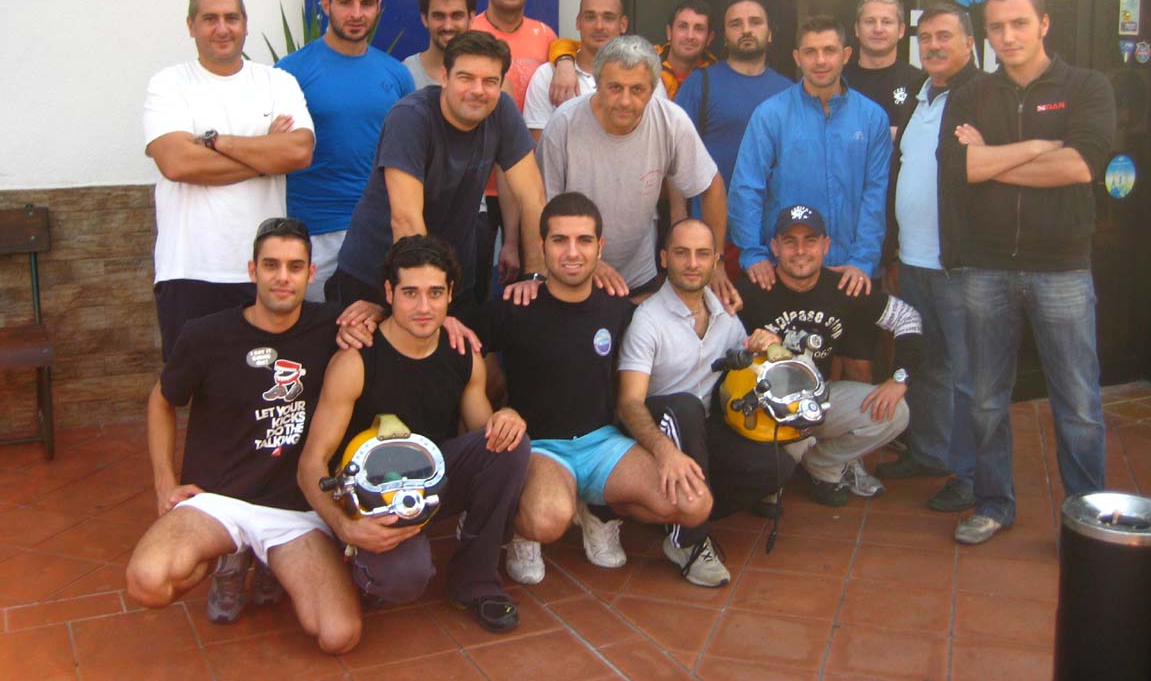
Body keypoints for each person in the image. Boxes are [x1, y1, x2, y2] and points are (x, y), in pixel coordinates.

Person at [125, 218, 359, 654]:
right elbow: (162, 399)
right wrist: (163, 483)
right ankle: (227, 558)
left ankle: (269, 560)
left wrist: (375, 313)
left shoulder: (332, 327)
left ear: (311, 273)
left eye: (295, 266)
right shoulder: (206, 335)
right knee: (148, 583)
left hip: (293, 509)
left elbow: (394, 319)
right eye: (271, 265)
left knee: (339, 635)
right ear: (253, 270)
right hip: (217, 500)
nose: (283, 277)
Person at [939, 0, 1115, 545]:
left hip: (1062, 268)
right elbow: (959, 169)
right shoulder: (971, 95)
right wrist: (1041, 146)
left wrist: (992, 160)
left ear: (1043, 24)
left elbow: (1081, 166)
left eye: (1019, 23)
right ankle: (994, 504)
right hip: (986, 266)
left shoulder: (1086, 86)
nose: (1008, 36)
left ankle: (1085, 519)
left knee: (1079, 404)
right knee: (987, 401)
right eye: (996, 27)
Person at [298, 235, 530, 633]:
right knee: (404, 579)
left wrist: (507, 416)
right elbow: (311, 464)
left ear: (450, 294)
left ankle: (475, 580)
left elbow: (486, 441)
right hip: (371, 495)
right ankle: (360, 562)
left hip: (431, 478)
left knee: (510, 444)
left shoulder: (462, 354)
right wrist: (343, 525)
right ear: (389, 293)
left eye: (435, 293)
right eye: (410, 293)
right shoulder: (356, 360)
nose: (424, 307)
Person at [482, 193, 711, 585]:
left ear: (600, 247)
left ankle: (598, 511)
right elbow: (462, 344)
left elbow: (669, 305)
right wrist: (495, 413)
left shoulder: (619, 310)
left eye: (584, 240)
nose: (573, 252)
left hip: (602, 444)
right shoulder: (514, 306)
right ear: (542, 245)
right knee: (548, 520)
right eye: (560, 240)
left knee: (695, 504)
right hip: (540, 447)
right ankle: (522, 531)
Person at [143, 0, 315, 360]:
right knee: (189, 384)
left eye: (231, 18)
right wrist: (265, 156)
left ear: (245, 23)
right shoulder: (169, 84)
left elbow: (299, 152)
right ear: (191, 26)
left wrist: (216, 142)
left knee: (263, 382)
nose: (222, 28)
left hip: (265, 271)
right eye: (210, 19)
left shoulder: (278, 83)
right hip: (190, 268)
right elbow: (177, 163)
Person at [328, 30, 546, 315]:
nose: (478, 90)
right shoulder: (410, 117)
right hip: (379, 277)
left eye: (490, 81)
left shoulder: (501, 110)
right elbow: (406, 220)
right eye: (466, 78)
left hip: (452, 277)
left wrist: (536, 275)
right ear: (444, 77)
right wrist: (429, 301)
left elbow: (532, 197)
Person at [617, 218, 781, 587]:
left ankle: (681, 508)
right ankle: (688, 541)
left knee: (777, 464)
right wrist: (663, 451)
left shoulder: (724, 312)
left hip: (703, 429)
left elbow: (744, 368)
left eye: (702, 254)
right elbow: (629, 403)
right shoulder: (647, 320)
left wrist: (764, 346)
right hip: (655, 429)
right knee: (686, 408)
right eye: (682, 253)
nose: (692, 263)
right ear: (664, 258)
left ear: (715, 261)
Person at [875, 4, 983, 512]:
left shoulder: (984, 96)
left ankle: (970, 474)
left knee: (967, 374)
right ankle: (930, 452)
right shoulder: (919, 97)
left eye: (945, 36)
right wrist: (896, 251)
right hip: (915, 260)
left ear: (969, 43)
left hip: (960, 265)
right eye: (926, 37)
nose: (934, 45)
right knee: (927, 363)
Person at [738, 205, 920, 506]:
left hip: (816, 400)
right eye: (790, 241)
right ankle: (780, 466)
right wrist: (749, 345)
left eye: (810, 240)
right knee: (767, 489)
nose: (800, 251)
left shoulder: (842, 287)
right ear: (774, 247)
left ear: (826, 246)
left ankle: (822, 464)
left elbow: (908, 319)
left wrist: (900, 379)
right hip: (763, 409)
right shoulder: (754, 289)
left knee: (895, 412)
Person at [537, 35, 738, 307]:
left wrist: (717, 262)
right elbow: (542, 210)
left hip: (640, 273)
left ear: (653, 88)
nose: (625, 100)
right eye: (614, 87)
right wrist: (589, 261)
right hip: (575, 272)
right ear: (597, 83)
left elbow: (711, 186)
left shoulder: (671, 121)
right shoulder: (564, 124)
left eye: (637, 89)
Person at [729, 15, 891, 300]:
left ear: (846, 55)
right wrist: (753, 254)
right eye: (810, 51)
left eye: (829, 50)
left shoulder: (872, 117)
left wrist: (862, 260)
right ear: (797, 57)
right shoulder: (770, 115)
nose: (820, 60)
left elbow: (875, 195)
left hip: (850, 274)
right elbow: (747, 187)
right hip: (784, 271)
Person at [278, 0, 415, 299]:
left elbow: (411, 155)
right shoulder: (289, 72)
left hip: (378, 230)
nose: (356, 14)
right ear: (326, 5)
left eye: (366, 4)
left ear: (378, 8)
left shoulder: (397, 75)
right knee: (316, 328)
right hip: (313, 231)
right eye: (345, 2)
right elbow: (275, 149)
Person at [674, 0, 793, 271]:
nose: (746, 30)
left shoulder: (789, 91)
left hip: (773, 237)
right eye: (736, 24)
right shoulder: (701, 83)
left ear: (770, 33)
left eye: (755, 22)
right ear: (725, 37)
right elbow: (676, 158)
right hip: (712, 236)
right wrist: (679, 219)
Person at [469, 0, 556, 299]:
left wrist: (565, 58)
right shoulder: (469, 32)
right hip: (478, 185)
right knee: (476, 287)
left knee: (528, 287)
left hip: (527, 183)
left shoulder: (545, 36)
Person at [545, 0, 718, 102]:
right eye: (682, 27)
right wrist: (565, 60)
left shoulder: (716, 75)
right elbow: (576, 46)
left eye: (699, 29)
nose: (689, 36)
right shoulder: (644, 59)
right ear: (669, 32)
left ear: (710, 38)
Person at [522, 0, 629, 140]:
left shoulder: (642, 75)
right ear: (578, 22)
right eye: (590, 17)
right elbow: (541, 147)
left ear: (623, 24)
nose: (599, 26)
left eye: (608, 18)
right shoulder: (547, 75)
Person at [842, 0, 925, 136]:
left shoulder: (919, 83)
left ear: (901, 30)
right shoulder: (839, 81)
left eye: (887, 22)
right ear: (857, 29)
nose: (878, 29)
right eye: (870, 21)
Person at [403, 0, 477, 90]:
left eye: (456, 16)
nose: (448, 26)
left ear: (471, 18)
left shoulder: (491, 76)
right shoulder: (404, 75)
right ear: (425, 19)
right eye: (439, 16)